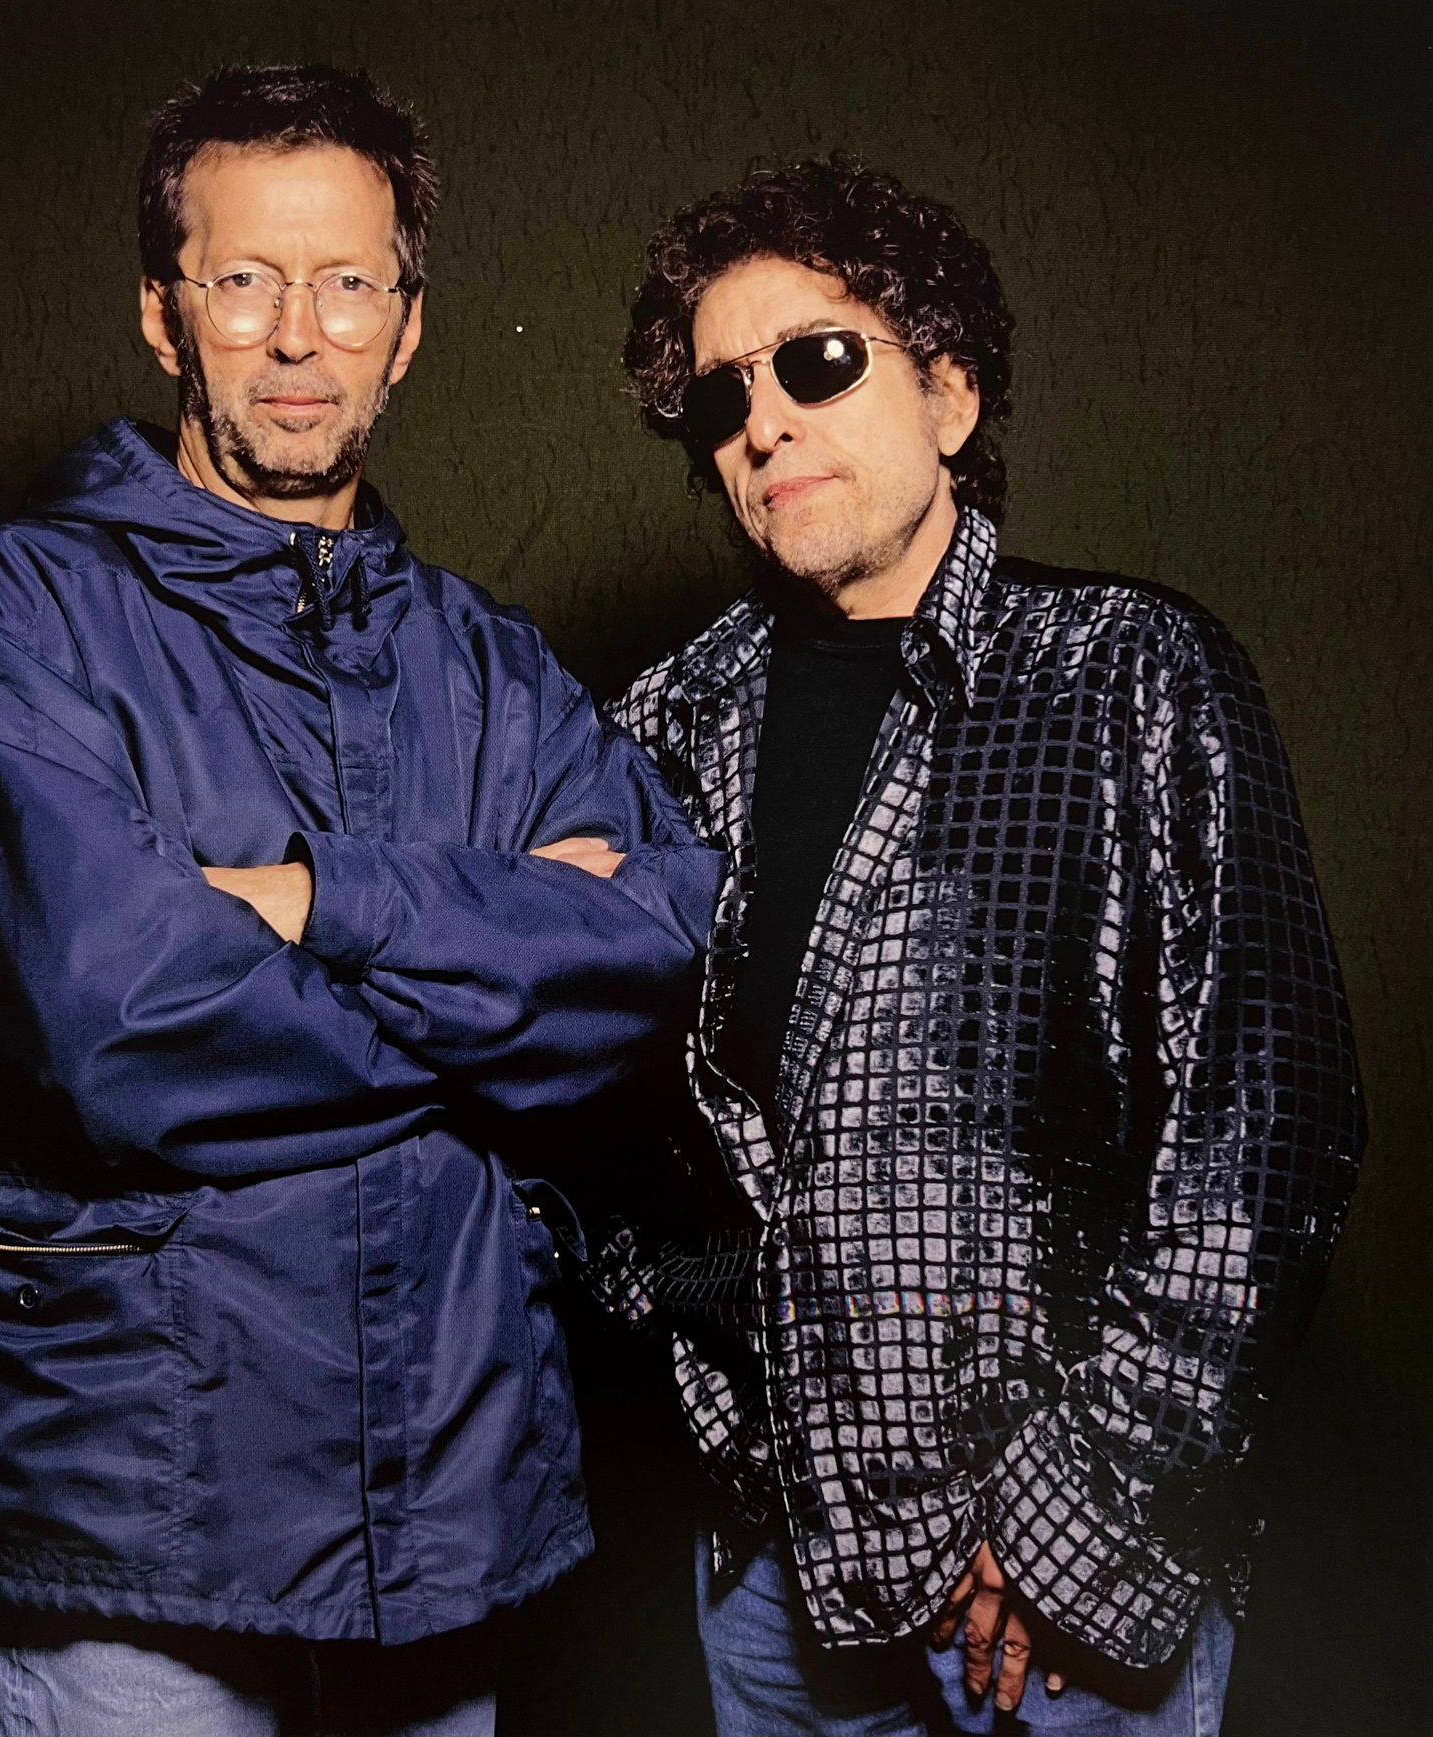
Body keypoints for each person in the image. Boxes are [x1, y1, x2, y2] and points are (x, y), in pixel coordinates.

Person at [0, 63, 718, 1737]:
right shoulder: (27, 611)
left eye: (347, 283)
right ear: (161, 312)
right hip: (139, 1535)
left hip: (445, 1528)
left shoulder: (489, 666)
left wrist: (315, 899)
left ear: (408, 324)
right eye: (244, 280)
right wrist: (498, 961)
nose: (296, 337)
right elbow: (123, 1018)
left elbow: (661, 947)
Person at [605, 156, 1364, 1736]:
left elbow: (1263, 1144)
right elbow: (635, 1138)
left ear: (947, 392)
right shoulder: (656, 727)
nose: (766, 420)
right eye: (722, 394)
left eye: (819, 359)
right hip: (770, 1576)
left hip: (1061, 1595)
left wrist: (1069, 1533)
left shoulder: (1135, 677)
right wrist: (728, 1432)